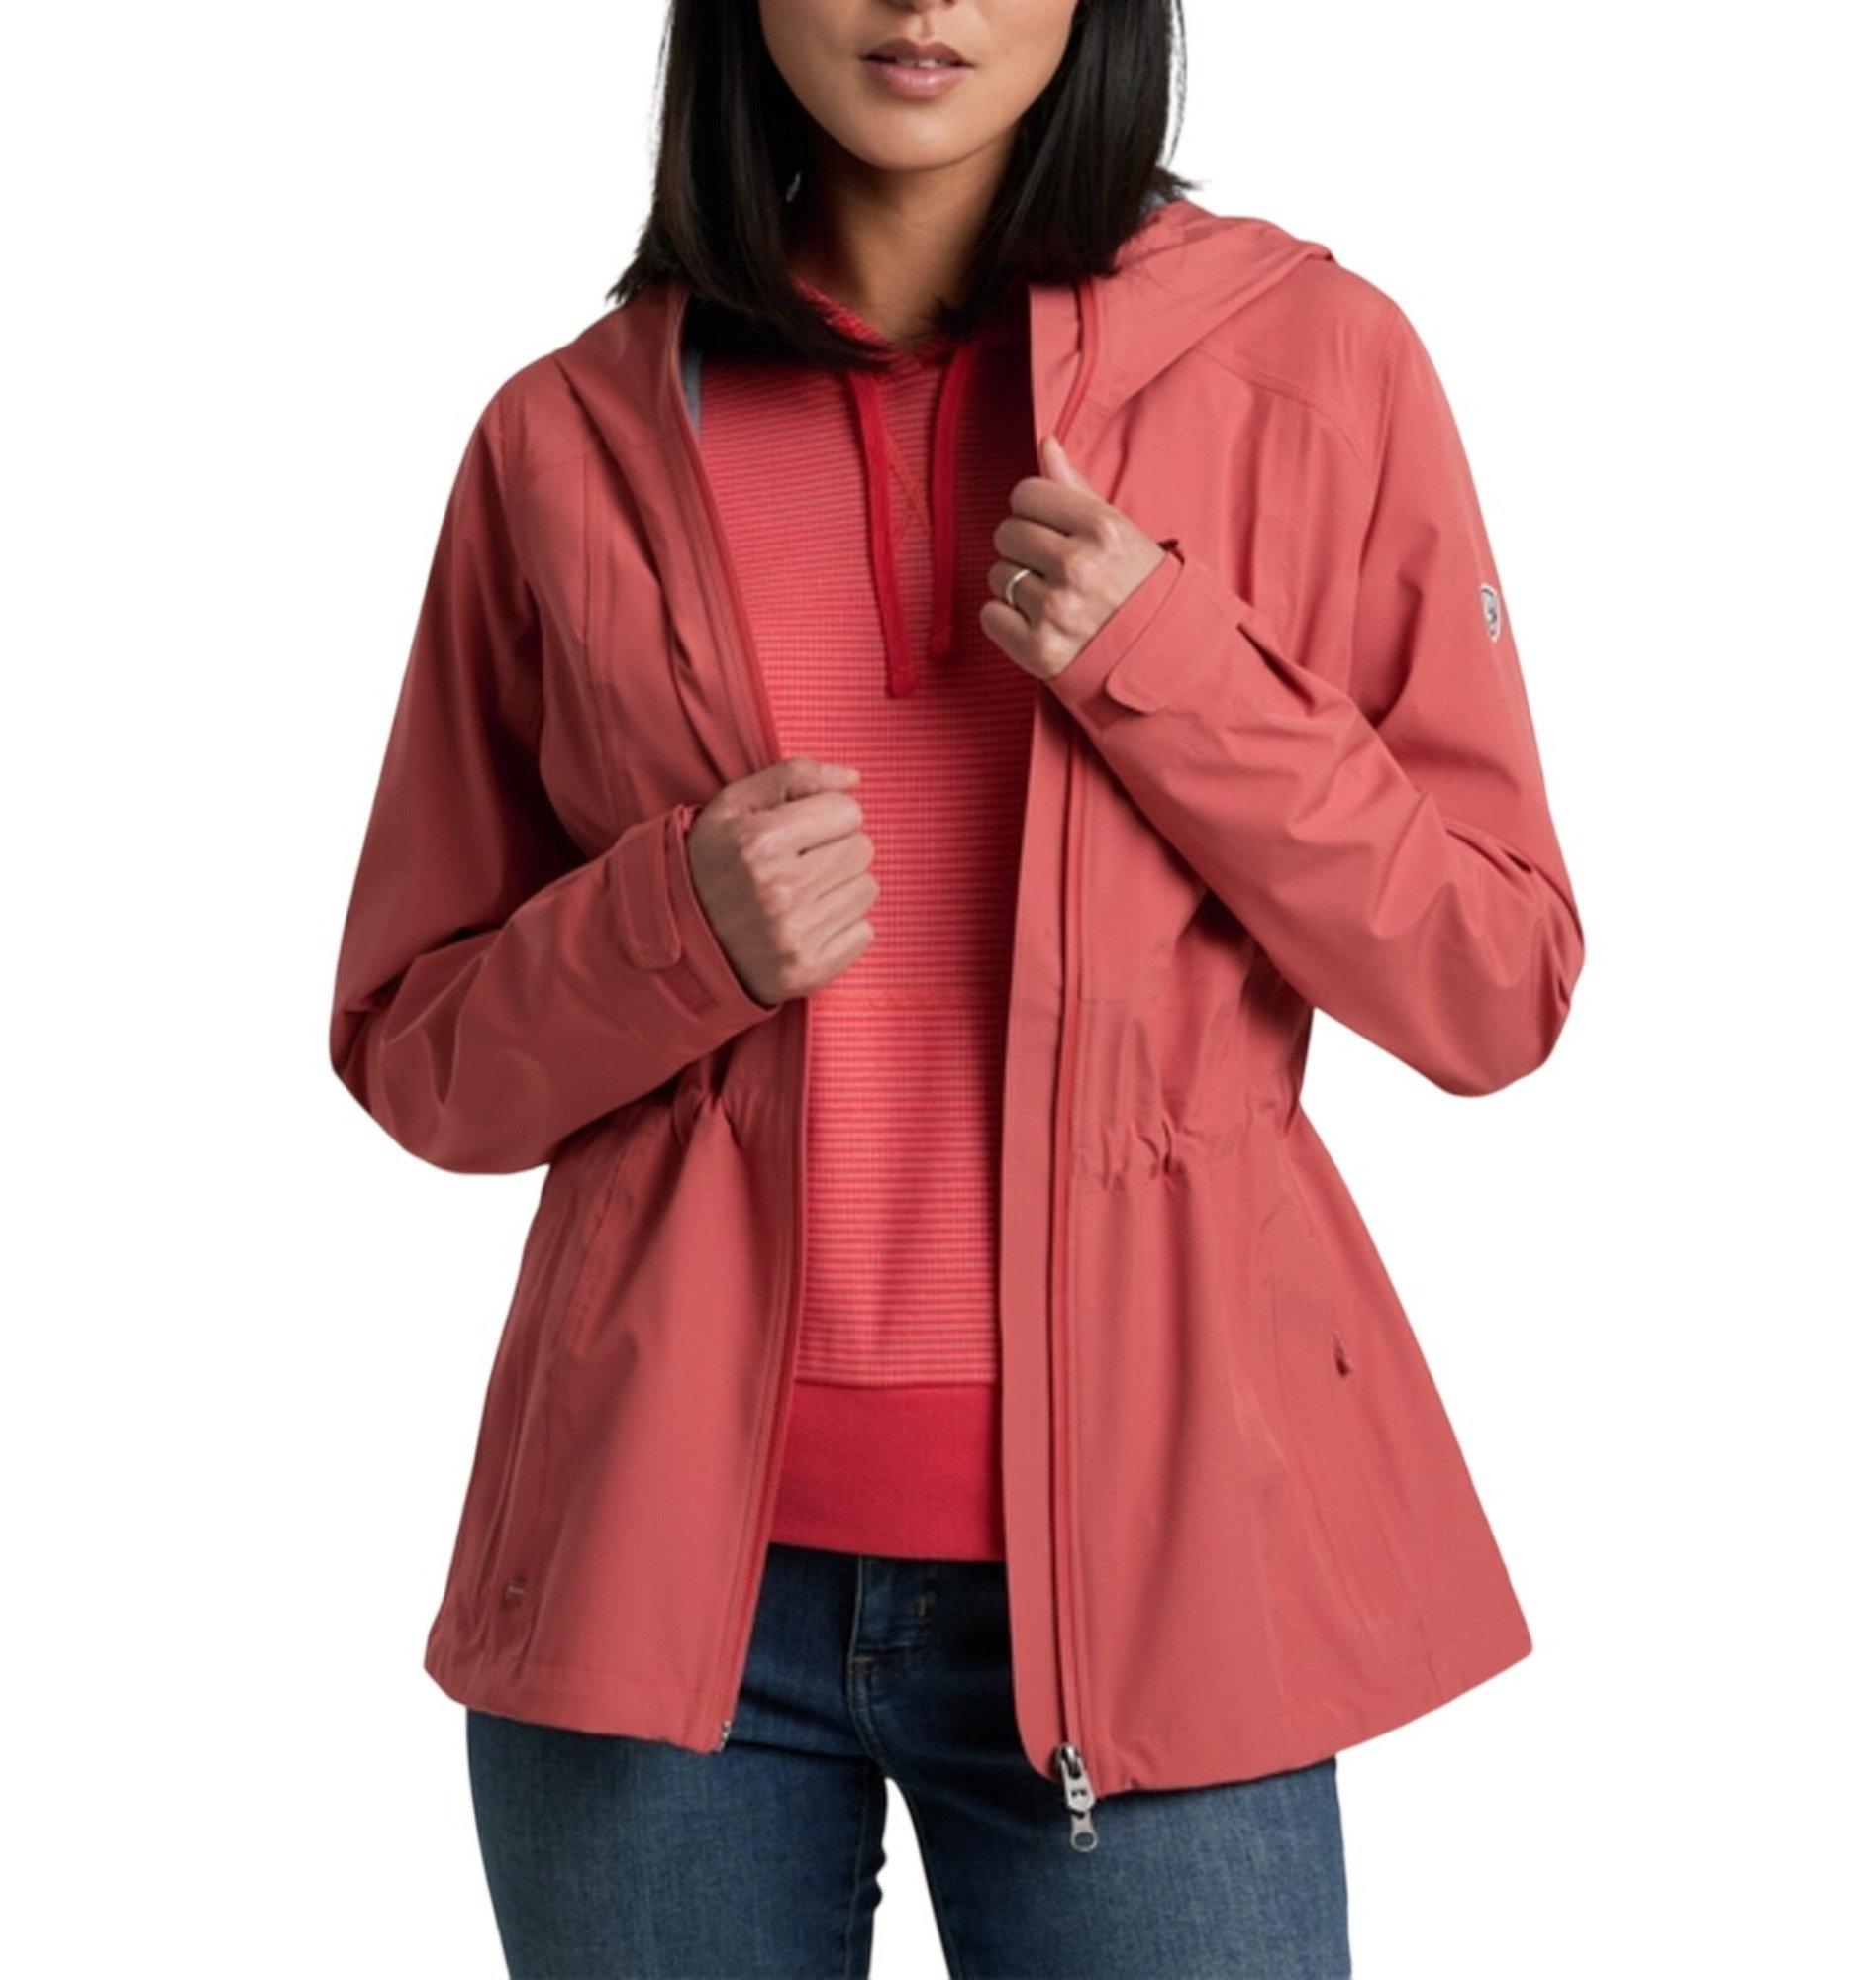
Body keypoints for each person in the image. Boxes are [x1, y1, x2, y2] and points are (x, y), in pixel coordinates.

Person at [327, 2, 1585, 1973]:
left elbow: (1494, 981)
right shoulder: (567, 436)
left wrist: (1177, 673)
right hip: (659, 1591)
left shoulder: (1315, 365)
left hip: (1165, 1576)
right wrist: (673, 932)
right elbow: (418, 1048)